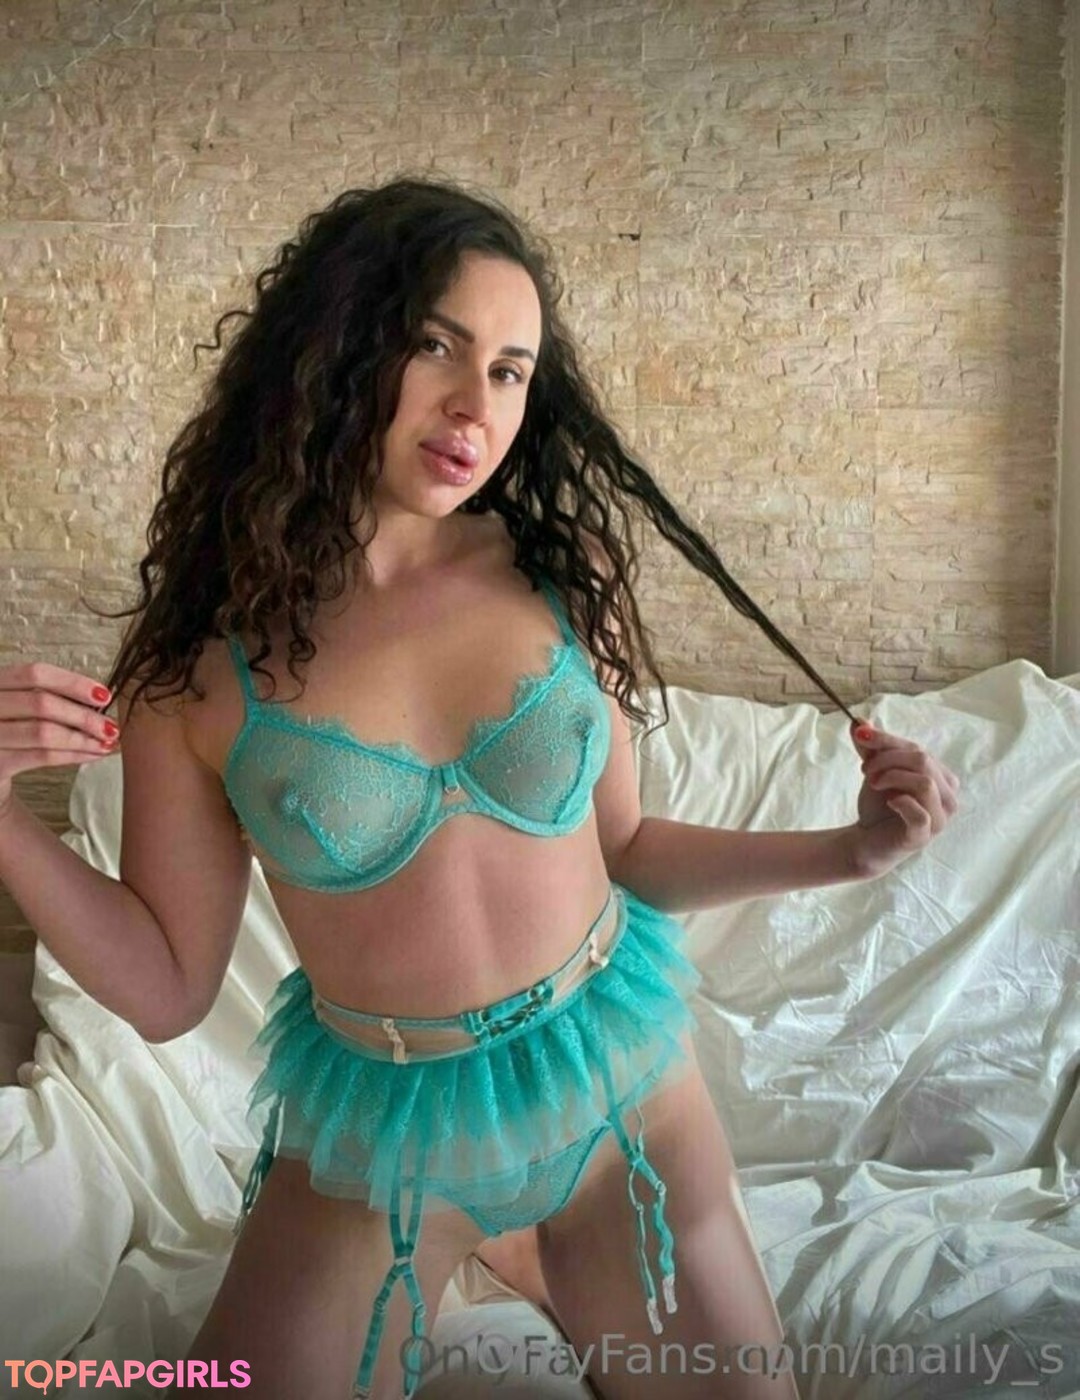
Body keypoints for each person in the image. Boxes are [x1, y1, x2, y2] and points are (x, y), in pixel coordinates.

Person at [0, 175, 960, 1400]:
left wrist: (852, 848)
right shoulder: (199, 671)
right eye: (437, 347)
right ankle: (494, 1251)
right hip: (384, 1135)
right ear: (337, 348)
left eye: (511, 370)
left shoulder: (560, 572)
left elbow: (628, 846)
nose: (476, 405)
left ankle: (548, 1253)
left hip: (614, 1094)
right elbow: (167, 985)